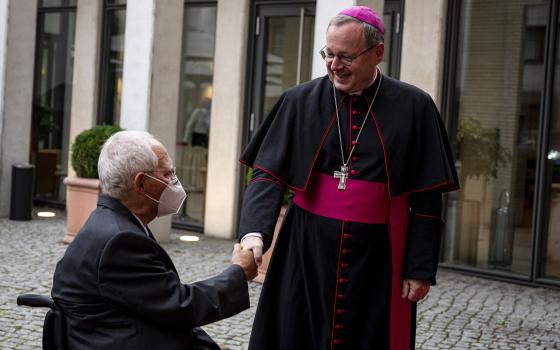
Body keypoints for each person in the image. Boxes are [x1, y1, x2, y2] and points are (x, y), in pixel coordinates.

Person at [238, 6, 459, 350]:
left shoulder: (415, 107)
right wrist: (255, 232)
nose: (334, 65)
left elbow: (427, 196)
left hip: (379, 256)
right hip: (305, 248)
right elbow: (267, 173)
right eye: (328, 53)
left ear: (378, 53)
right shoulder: (299, 101)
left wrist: (418, 267)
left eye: (346, 56)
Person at [52, 130, 257, 349]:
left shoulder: (113, 222)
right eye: (168, 174)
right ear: (141, 184)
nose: (175, 182)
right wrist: (239, 272)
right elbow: (178, 306)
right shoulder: (120, 241)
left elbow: (157, 301)